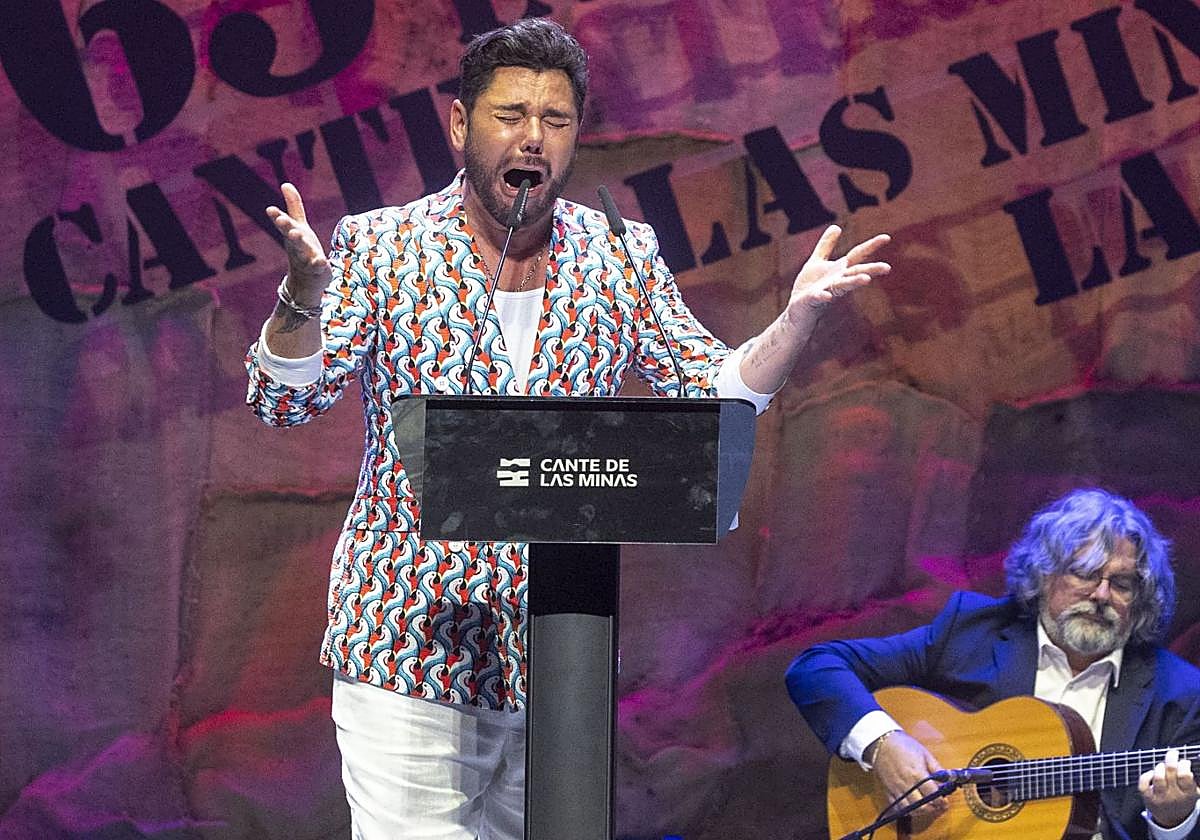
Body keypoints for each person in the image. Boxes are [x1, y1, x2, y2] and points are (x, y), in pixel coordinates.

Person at [246, 17, 891, 840]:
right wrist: (302, 296)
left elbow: (712, 387)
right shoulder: (381, 247)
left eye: (555, 122)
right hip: (408, 638)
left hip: (558, 653)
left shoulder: (618, 252)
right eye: (510, 116)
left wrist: (795, 321)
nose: (533, 139)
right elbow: (283, 401)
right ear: (458, 125)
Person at [786, 488, 1200, 840]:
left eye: (1122, 584)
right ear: (1044, 574)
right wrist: (885, 745)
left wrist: (1174, 822)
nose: (1102, 594)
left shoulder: (1180, 693)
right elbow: (817, 667)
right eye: (1084, 574)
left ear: (1141, 600)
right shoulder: (971, 634)